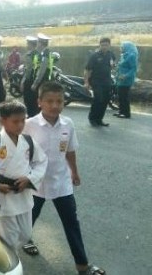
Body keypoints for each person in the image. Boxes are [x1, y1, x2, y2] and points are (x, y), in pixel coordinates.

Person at [23, 81, 106, 275]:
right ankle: (21, 245)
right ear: (39, 102)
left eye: (59, 101)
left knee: (71, 223)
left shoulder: (68, 124)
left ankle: (83, 266)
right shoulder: (29, 125)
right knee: (27, 220)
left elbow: (70, 150)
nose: (54, 105)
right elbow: (20, 154)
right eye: (49, 101)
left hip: (61, 182)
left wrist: (74, 172)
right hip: (36, 183)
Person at [0, 101, 47, 252]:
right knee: (11, 237)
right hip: (3, 195)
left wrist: (30, 179)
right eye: (15, 121)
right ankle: (9, 265)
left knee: (26, 235)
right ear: (2, 121)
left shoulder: (28, 141)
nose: (20, 125)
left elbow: (42, 161)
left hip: (22, 193)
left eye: (23, 120)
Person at [84, 37, 116, 127]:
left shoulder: (111, 54)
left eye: (106, 45)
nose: (104, 47)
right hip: (96, 81)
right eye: (102, 45)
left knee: (105, 100)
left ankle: (99, 119)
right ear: (100, 45)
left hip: (107, 81)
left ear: (109, 45)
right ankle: (92, 118)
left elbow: (113, 65)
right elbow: (87, 70)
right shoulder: (94, 56)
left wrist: (113, 66)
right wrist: (86, 82)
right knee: (98, 99)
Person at [114, 41, 138, 119]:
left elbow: (133, 69)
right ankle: (121, 111)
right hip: (120, 79)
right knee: (120, 96)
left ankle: (126, 113)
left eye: (122, 47)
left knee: (124, 96)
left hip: (126, 80)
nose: (120, 48)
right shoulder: (123, 55)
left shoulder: (132, 56)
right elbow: (121, 65)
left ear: (127, 47)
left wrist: (126, 76)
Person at [21, 36, 40, 117]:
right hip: (37, 79)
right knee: (36, 100)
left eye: (27, 43)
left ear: (31, 44)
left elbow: (28, 69)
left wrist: (23, 81)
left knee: (28, 100)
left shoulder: (29, 54)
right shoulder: (39, 54)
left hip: (30, 80)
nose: (26, 45)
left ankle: (31, 116)